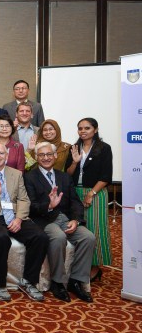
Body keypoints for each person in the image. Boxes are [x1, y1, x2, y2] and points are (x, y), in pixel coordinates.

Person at [0, 142, 49, 302]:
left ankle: (29, 281)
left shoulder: (16, 174)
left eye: (1, 153)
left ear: (6, 156)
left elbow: (24, 199)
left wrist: (19, 218)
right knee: (1, 237)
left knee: (40, 237)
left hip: (15, 214)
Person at [25, 142, 95, 302]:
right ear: (36, 157)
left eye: (49, 154)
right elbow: (31, 206)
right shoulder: (29, 177)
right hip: (44, 220)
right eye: (41, 155)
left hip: (66, 219)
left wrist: (76, 220)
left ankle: (76, 281)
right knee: (58, 237)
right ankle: (58, 282)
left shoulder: (64, 177)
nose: (46, 158)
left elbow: (75, 202)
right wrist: (49, 205)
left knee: (88, 237)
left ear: (55, 156)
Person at [65, 117, 112, 281]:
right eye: (80, 128)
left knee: (95, 230)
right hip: (75, 193)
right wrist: (74, 163)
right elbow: (67, 174)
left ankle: (95, 267)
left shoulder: (104, 148)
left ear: (95, 130)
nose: (83, 131)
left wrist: (91, 193)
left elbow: (106, 176)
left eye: (87, 128)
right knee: (77, 230)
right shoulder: (74, 148)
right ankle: (78, 265)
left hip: (96, 193)